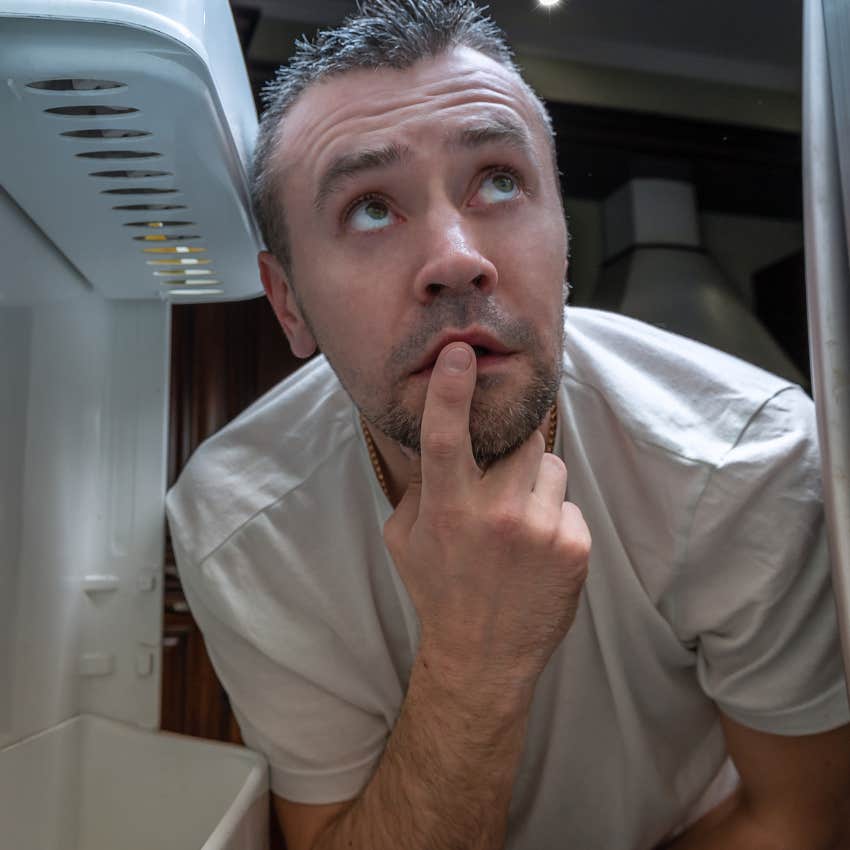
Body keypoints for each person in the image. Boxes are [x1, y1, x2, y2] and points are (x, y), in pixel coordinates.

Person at [165, 2, 850, 848]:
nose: (457, 258)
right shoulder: (242, 525)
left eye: (498, 180)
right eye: (370, 208)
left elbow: (795, 818)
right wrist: (471, 659)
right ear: (288, 305)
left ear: (562, 245)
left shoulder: (751, 461)